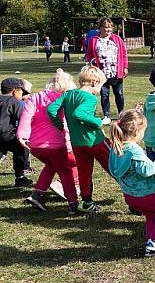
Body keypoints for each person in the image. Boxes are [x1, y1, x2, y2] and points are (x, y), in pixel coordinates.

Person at [108, 110, 155, 257]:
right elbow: (147, 170)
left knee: (152, 213)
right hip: (148, 194)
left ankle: (151, 241)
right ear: (136, 132)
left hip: (131, 196)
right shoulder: (133, 150)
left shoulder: (117, 147)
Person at [47, 66, 110, 213]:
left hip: (77, 143)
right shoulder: (90, 98)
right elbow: (79, 114)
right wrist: (98, 122)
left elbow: (51, 109)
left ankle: (87, 202)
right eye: (101, 86)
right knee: (115, 167)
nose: (100, 90)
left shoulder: (68, 94)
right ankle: (133, 197)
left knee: (84, 172)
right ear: (94, 82)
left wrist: (59, 124)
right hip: (94, 140)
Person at [17, 70, 80, 213]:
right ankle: (72, 203)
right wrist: (71, 145)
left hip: (35, 145)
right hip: (55, 145)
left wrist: (22, 135)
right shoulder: (64, 100)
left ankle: (37, 195)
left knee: (51, 166)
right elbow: (67, 125)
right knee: (65, 172)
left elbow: (26, 116)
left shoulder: (36, 97)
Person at [85, 17, 128, 125]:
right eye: (106, 28)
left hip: (116, 72)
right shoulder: (94, 40)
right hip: (101, 73)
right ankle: (106, 115)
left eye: (110, 28)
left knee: (119, 94)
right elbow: (88, 54)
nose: (108, 30)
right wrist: (92, 61)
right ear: (100, 28)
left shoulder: (117, 39)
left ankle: (121, 114)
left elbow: (123, 54)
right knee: (104, 94)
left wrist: (125, 67)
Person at [0, 78, 33, 187]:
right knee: (21, 149)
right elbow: (22, 117)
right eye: (21, 92)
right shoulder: (14, 101)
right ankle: (20, 177)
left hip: (1, 136)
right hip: (8, 135)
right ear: (15, 91)